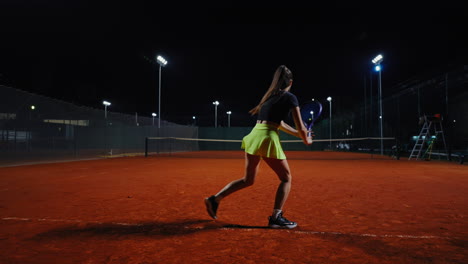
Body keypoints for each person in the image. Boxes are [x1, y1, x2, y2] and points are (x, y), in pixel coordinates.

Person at [204, 65, 313, 229]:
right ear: (291, 82)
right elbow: (302, 129)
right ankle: (276, 217)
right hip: (267, 138)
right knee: (286, 179)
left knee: (248, 180)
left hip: (254, 136)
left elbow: (280, 123)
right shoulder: (290, 97)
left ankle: (215, 199)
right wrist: (307, 138)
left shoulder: (269, 97)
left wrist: (299, 134)